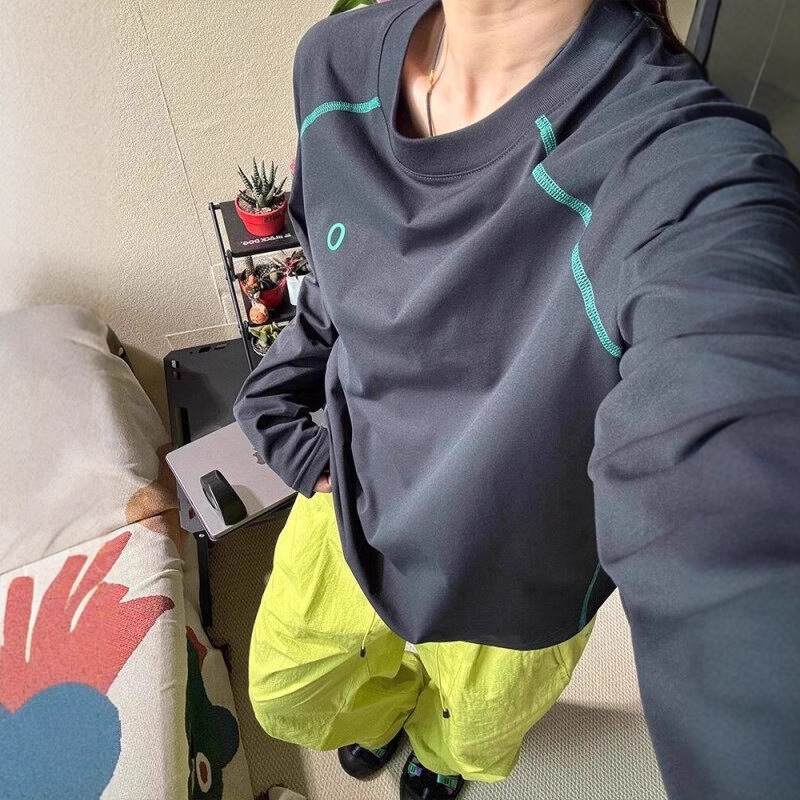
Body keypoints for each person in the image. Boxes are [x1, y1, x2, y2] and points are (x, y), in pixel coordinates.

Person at [233, 1, 800, 798]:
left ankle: (436, 751)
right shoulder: (334, 60)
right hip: (353, 505)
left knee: (473, 731)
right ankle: (390, 708)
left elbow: (742, 517)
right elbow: (336, 270)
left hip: (515, 585)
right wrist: (281, 410)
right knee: (287, 694)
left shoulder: (676, 166)